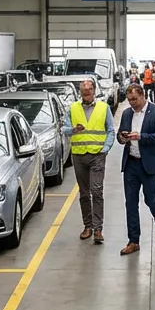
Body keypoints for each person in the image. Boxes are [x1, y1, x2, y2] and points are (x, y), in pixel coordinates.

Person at [116, 84, 155, 255]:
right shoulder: (126, 113)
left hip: (150, 165)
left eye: (134, 99)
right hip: (131, 163)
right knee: (130, 202)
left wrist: (141, 137)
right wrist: (123, 138)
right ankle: (133, 240)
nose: (132, 103)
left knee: (151, 200)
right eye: (129, 100)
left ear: (142, 96)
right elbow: (120, 136)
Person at [65, 78, 116, 244]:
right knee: (84, 194)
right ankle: (88, 226)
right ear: (80, 93)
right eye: (83, 92)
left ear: (94, 91)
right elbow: (64, 130)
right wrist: (74, 129)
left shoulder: (103, 107)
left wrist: (105, 149)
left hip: (97, 156)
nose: (86, 95)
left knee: (97, 191)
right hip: (79, 156)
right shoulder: (73, 108)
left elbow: (110, 130)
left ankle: (98, 229)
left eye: (89, 91)